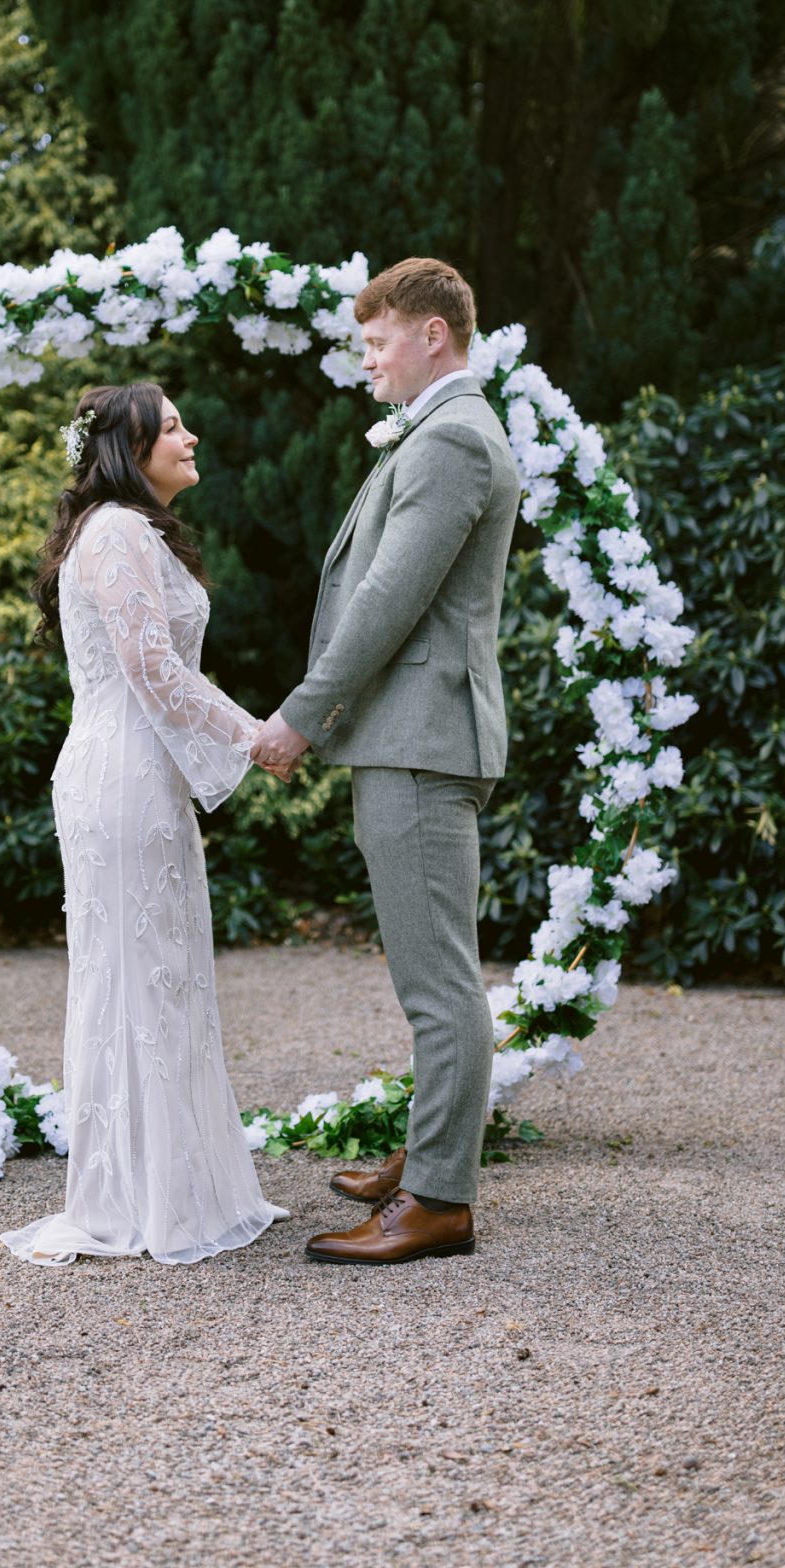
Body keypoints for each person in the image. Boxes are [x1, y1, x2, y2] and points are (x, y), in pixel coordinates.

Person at [253, 257, 520, 1265]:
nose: (367, 363)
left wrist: (303, 715)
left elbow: (388, 600)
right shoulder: (446, 430)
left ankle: (440, 1202)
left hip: (420, 736)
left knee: (438, 981)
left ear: (434, 335)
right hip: (411, 734)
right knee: (429, 969)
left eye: (378, 343)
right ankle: (429, 1154)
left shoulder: (452, 438)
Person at [0, 382, 289, 1266]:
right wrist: (256, 737)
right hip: (121, 779)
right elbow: (152, 668)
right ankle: (143, 1199)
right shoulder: (119, 532)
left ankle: (172, 1184)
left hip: (133, 777)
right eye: (171, 428)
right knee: (137, 975)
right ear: (128, 449)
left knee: (152, 975)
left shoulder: (126, 531)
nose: (190, 435)